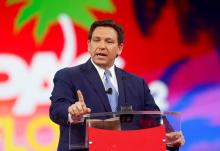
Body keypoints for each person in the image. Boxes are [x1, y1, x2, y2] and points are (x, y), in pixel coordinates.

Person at [49, 19, 185, 151]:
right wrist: (72, 112)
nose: (101, 46)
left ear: (120, 48)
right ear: (89, 45)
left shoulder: (137, 83)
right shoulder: (68, 75)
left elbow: (155, 119)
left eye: (108, 41)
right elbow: (56, 109)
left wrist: (170, 137)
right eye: (96, 40)